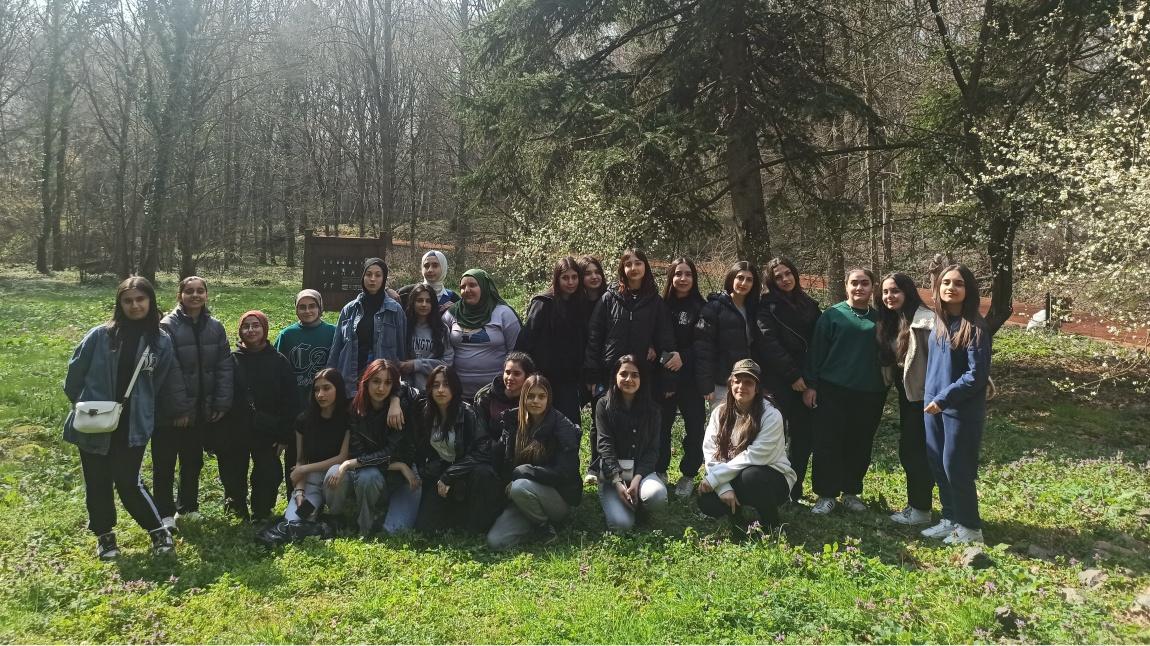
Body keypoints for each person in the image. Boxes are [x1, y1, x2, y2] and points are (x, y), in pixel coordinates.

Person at [63, 276, 185, 559]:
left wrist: (143, 407)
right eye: (128, 301)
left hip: (133, 423)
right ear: (120, 304)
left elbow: (161, 381)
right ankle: (105, 537)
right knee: (97, 480)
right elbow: (74, 375)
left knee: (129, 480)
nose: (134, 305)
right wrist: (85, 404)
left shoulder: (160, 341)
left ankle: (158, 532)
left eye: (140, 299)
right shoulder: (99, 335)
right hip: (94, 422)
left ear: (150, 301)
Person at [583, 249, 680, 482]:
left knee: (651, 422)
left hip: (644, 375)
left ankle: (657, 468)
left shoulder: (655, 303)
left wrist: (668, 378)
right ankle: (596, 467)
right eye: (628, 264)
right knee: (602, 420)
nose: (633, 268)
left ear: (645, 267)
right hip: (610, 372)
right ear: (622, 269)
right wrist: (592, 374)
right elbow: (595, 337)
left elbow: (665, 341)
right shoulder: (609, 298)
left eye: (638, 263)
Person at [802, 268, 888, 515]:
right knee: (827, 443)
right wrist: (811, 386)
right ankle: (826, 494)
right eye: (854, 283)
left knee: (859, 443)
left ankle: (851, 492)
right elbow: (816, 353)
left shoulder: (881, 318)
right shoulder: (832, 315)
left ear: (873, 287)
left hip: (870, 392)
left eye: (864, 283)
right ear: (846, 286)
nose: (859, 288)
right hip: (832, 391)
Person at [153, 276, 233, 532]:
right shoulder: (167, 326)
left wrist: (221, 401)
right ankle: (164, 512)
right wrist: (179, 409)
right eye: (189, 291)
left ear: (207, 295)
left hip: (201, 409)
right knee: (165, 462)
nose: (195, 295)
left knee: (192, 460)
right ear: (180, 295)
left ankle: (188, 506)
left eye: (200, 291)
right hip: (170, 411)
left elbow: (224, 365)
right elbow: (169, 370)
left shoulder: (215, 327)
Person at [920, 264, 992, 545]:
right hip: (933, 406)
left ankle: (971, 528)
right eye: (946, 282)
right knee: (938, 464)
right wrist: (930, 398)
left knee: (956, 467)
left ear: (968, 290)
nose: (951, 287)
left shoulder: (975, 327)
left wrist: (943, 398)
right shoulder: (939, 322)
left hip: (959, 410)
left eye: (958, 283)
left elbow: (976, 375)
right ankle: (951, 518)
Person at [697, 360, 796, 540]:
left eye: (749, 382)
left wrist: (716, 478)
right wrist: (723, 487)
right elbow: (710, 452)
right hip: (733, 475)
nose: (742, 386)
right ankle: (739, 521)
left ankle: (772, 523)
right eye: (737, 381)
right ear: (730, 383)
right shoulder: (719, 412)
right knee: (706, 500)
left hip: (770, 478)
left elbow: (756, 456)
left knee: (751, 477)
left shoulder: (771, 415)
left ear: (757, 388)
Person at [325, 360, 421, 536]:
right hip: (372, 467)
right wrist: (398, 464)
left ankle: (365, 526)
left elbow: (394, 451)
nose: (381, 388)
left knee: (368, 477)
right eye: (376, 381)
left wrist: (395, 400)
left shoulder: (401, 409)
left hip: (393, 478)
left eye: (387, 383)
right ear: (366, 381)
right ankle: (336, 519)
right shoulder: (355, 407)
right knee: (334, 472)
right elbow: (358, 452)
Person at [219, 311, 298, 522]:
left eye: (256, 325)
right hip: (235, 429)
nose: (251, 330)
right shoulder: (231, 360)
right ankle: (236, 508)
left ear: (264, 328)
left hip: (267, 429)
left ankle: (262, 511)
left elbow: (290, 400)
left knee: (267, 473)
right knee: (233, 471)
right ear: (240, 330)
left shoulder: (278, 361)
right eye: (246, 326)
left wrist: (284, 435)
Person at [487, 375, 582, 550]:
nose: (535, 401)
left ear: (549, 399)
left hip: (557, 497)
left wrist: (524, 471)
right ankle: (531, 520)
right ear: (523, 398)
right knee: (496, 541)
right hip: (522, 496)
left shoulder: (563, 426)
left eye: (541, 396)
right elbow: (503, 463)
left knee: (519, 486)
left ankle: (544, 527)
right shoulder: (512, 421)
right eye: (530, 396)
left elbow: (565, 473)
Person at [755, 257, 821, 502]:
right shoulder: (766, 306)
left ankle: (795, 487)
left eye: (787, 274)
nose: (784, 280)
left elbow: (818, 343)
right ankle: (772, 487)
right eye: (778, 277)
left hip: (807, 381)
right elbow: (768, 342)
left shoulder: (810, 305)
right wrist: (792, 375)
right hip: (778, 381)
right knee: (774, 435)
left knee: (803, 438)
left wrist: (810, 381)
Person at [876, 272, 936, 526]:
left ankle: (921, 510)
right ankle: (918, 506)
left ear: (908, 292)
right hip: (908, 398)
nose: (890, 296)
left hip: (925, 399)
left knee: (917, 454)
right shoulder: (892, 321)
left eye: (895, 291)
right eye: (886, 292)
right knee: (910, 451)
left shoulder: (926, 321)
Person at [413, 366, 503, 533]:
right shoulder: (425, 411)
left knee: (483, 472)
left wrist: (450, 474)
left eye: (446, 385)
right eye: (436, 385)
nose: (441, 390)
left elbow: (484, 450)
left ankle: (475, 525)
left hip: (465, 474)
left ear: (455, 387)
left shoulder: (468, 412)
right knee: (425, 528)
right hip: (439, 472)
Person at [592, 355, 667, 533]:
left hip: (641, 474)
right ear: (615, 377)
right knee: (622, 525)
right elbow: (605, 446)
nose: (629, 379)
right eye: (623, 374)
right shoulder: (603, 405)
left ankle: (641, 505)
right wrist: (618, 481)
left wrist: (637, 478)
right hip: (612, 477)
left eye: (635, 375)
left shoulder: (653, 410)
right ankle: (620, 503)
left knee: (657, 495)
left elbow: (653, 450)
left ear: (642, 379)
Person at [274, 288, 337, 495]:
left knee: (324, 453)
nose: (307, 310)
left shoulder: (333, 332)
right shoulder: (287, 335)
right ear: (296, 309)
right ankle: (294, 495)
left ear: (320, 308)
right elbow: (277, 367)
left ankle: (323, 496)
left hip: (325, 407)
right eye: (302, 307)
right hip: (296, 406)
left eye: (312, 306)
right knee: (295, 454)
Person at [514, 256, 586, 425]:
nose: (570, 282)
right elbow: (526, 339)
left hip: (568, 381)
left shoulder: (580, 304)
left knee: (569, 428)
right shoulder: (544, 303)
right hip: (543, 378)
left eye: (574, 277)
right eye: (565, 278)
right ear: (557, 279)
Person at [659, 257, 707, 498]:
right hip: (664, 378)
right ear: (671, 277)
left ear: (694, 278)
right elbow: (653, 343)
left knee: (696, 428)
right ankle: (659, 471)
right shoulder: (660, 305)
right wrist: (667, 363)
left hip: (691, 380)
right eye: (678, 274)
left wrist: (684, 357)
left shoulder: (702, 306)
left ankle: (688, 475)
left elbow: (704, 343)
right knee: (661, 428)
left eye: (688, 274)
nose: (683, 278)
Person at [328, 258, 408, 397]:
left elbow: (401, 351)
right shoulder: (350, 309)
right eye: (368, 274)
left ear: (384, 279)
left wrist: (398, 391)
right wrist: (328, 378)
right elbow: (336, 348)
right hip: (351, 378)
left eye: (378, 275)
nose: (372, 279)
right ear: (363, 276)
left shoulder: (395, 310)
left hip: (382, 383)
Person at [442, 268, 521, 399]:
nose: (467, 290)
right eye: (462, 287)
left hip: (497, 393)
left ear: (484, 287)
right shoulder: (451, 313)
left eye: (473, 285)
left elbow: (516, 354)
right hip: (458, 393)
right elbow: (441, 348)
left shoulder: (504, 313)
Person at [284, 368, 350, 522]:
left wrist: (303, 468)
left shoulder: (349, 418)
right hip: (311, 480)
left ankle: (336, 514)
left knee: (334, 471)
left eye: (326, 388)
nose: (320, 394)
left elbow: (342, 457)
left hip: (338, 476)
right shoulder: (303, 420)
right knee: (294, 520)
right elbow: (300, 459)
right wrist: (300, 492)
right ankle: (315, 510)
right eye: (316, 390)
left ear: (338, 389)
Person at [695, 260, 761, 403]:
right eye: (740, 278)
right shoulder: (714, 308)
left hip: (749, 382)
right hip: (722, 383)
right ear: (732, 278)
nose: (744, 283)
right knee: (722, 424)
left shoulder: (754, 310)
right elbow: (703, 348)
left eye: (749, 280)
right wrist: (706, 385)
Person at [400, 283, 454, 392]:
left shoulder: (442, 329)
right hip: (405, 391)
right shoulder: (402, 326)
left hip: (433, 391)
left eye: (428, 301)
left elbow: (447, 362)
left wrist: (416, 364)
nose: (424, 304)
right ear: (412, 302)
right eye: (419, 300)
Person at [474, 352, 537, 435]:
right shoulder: (485, 398)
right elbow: (480, 436)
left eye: (516, 374)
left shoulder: (536, 399)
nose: (510, 378)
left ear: (528, 377)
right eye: (507, 372)